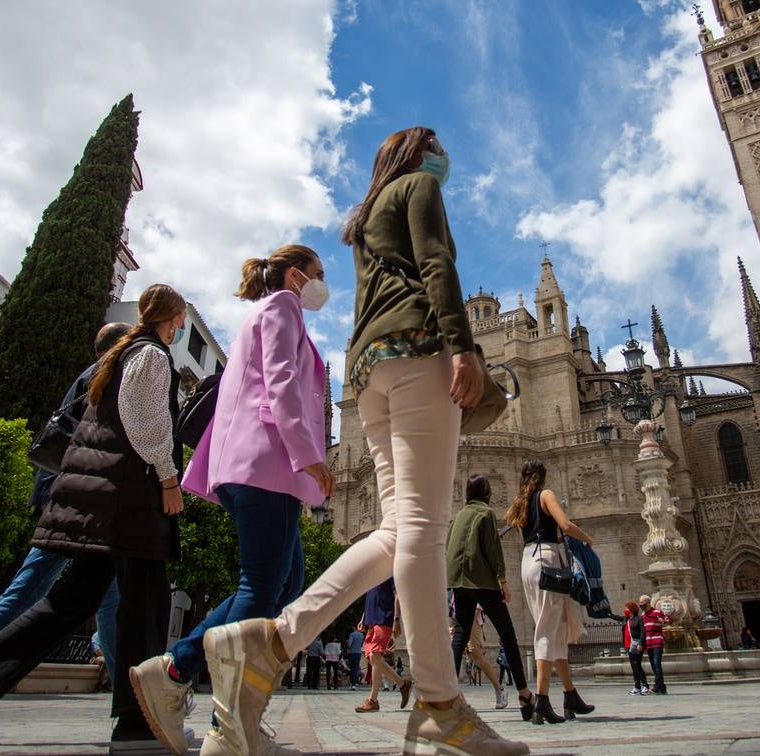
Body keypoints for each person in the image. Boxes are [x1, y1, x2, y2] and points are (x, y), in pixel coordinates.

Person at [194, 127, 526, 756]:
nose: (444, 155)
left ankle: (269, 641)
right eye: (436, 144)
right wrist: (461, 346)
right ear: (415, 154)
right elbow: (437, 265)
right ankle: (438, 705)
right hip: (418, 354)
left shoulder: (365, 216)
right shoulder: (419, 185)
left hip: (369, 373)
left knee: (398, 530)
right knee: (424, 526)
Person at [0, 284, 190, 756]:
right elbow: (145, 425)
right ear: (174, 318)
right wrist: (168, 479)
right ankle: (136, 726)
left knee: (71, 602)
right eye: (181, 320)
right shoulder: (151, 354)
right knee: (143, 607)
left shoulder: (120, 357)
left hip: (103, 502)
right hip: (129, 500)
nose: (180, 327)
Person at [131, 247, 334, 753]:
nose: (321, 286)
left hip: (261, 464)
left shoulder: (266, 312)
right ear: (295, 275)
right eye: (318, 276)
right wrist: (310, 454)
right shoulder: (282, 307)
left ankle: (177, 670)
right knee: (264, 586)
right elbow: (283, 381)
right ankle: (222, 710)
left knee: (285, 581)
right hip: (267, 460)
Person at [507, 459, 595, 724]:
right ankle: (542, 700)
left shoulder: (520, 502)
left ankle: (570, 694)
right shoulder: (545, 495)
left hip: (528, 562)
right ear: (542, 477)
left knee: (555, 628)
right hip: (547, 560)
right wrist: (587, 539)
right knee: (547, 628)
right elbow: (565, 526)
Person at [446, 473, 532, 716]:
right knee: (508, 636)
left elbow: (449, 548)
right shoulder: (485, 513)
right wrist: (503, 580)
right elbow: (493, 550)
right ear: (486, 493)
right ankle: (525, 695)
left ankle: (448, 697)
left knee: (459, 637)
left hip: (458, 582)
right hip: (482, 580)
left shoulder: (458, 516)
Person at [353, 577, 412, 714]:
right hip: (372, 622)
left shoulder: (390, 573)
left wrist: (396, 620)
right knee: (372, 658)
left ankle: (372, 700)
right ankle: (403, 684)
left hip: (384, 619)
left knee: (374, 655)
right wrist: (363, 619)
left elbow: (398, 596)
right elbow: (371, 600)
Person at [638, 595, 668, 693]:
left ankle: (657, 686)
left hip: (657, 642)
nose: (640, 605)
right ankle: (662, 687)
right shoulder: (642, 616)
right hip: (648, 644)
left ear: (648, 602)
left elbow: (667, 620)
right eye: (640, 603)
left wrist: (664, 621)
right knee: (654, 666)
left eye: (642, 603)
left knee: (657, 664)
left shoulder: (657, 612)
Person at [623, 601, 649, 694]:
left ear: (632, 609)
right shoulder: (626, 619)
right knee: (633, 666)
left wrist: (640, 644)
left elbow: (643, 631)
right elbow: (616, 617)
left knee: (637, 665)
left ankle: (645, 685)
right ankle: (637, 686)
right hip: (628, 646)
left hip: (636, 645)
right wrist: (608, 614)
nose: (625, 610)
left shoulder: (638, 619)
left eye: (626, 608)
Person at [345, 625, 365, 690]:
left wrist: (347, 642)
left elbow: (349, 644)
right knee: (356, 668)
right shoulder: (362, 635)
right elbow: (361, 644)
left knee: (352, 668)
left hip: (352, 653)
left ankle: (353, 684)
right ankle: (355, 683)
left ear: (354, 628)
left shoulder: (352, 634)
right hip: (358, 652)